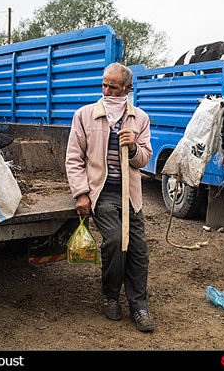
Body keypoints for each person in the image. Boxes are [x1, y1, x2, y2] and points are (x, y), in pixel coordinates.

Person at [65, 62, 155, 332]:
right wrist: (81, 194)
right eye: (103, 84)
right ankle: (110, 296)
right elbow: (73, 158)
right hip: (101, 193)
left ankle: (139, 305)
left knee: (139, 249)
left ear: (127, 88)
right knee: (115, 241)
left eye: (112, 86)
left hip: (131, 196)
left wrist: (135, 146)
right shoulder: (84, 115)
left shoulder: (140, 118)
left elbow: (145, 158)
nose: (106, 89)